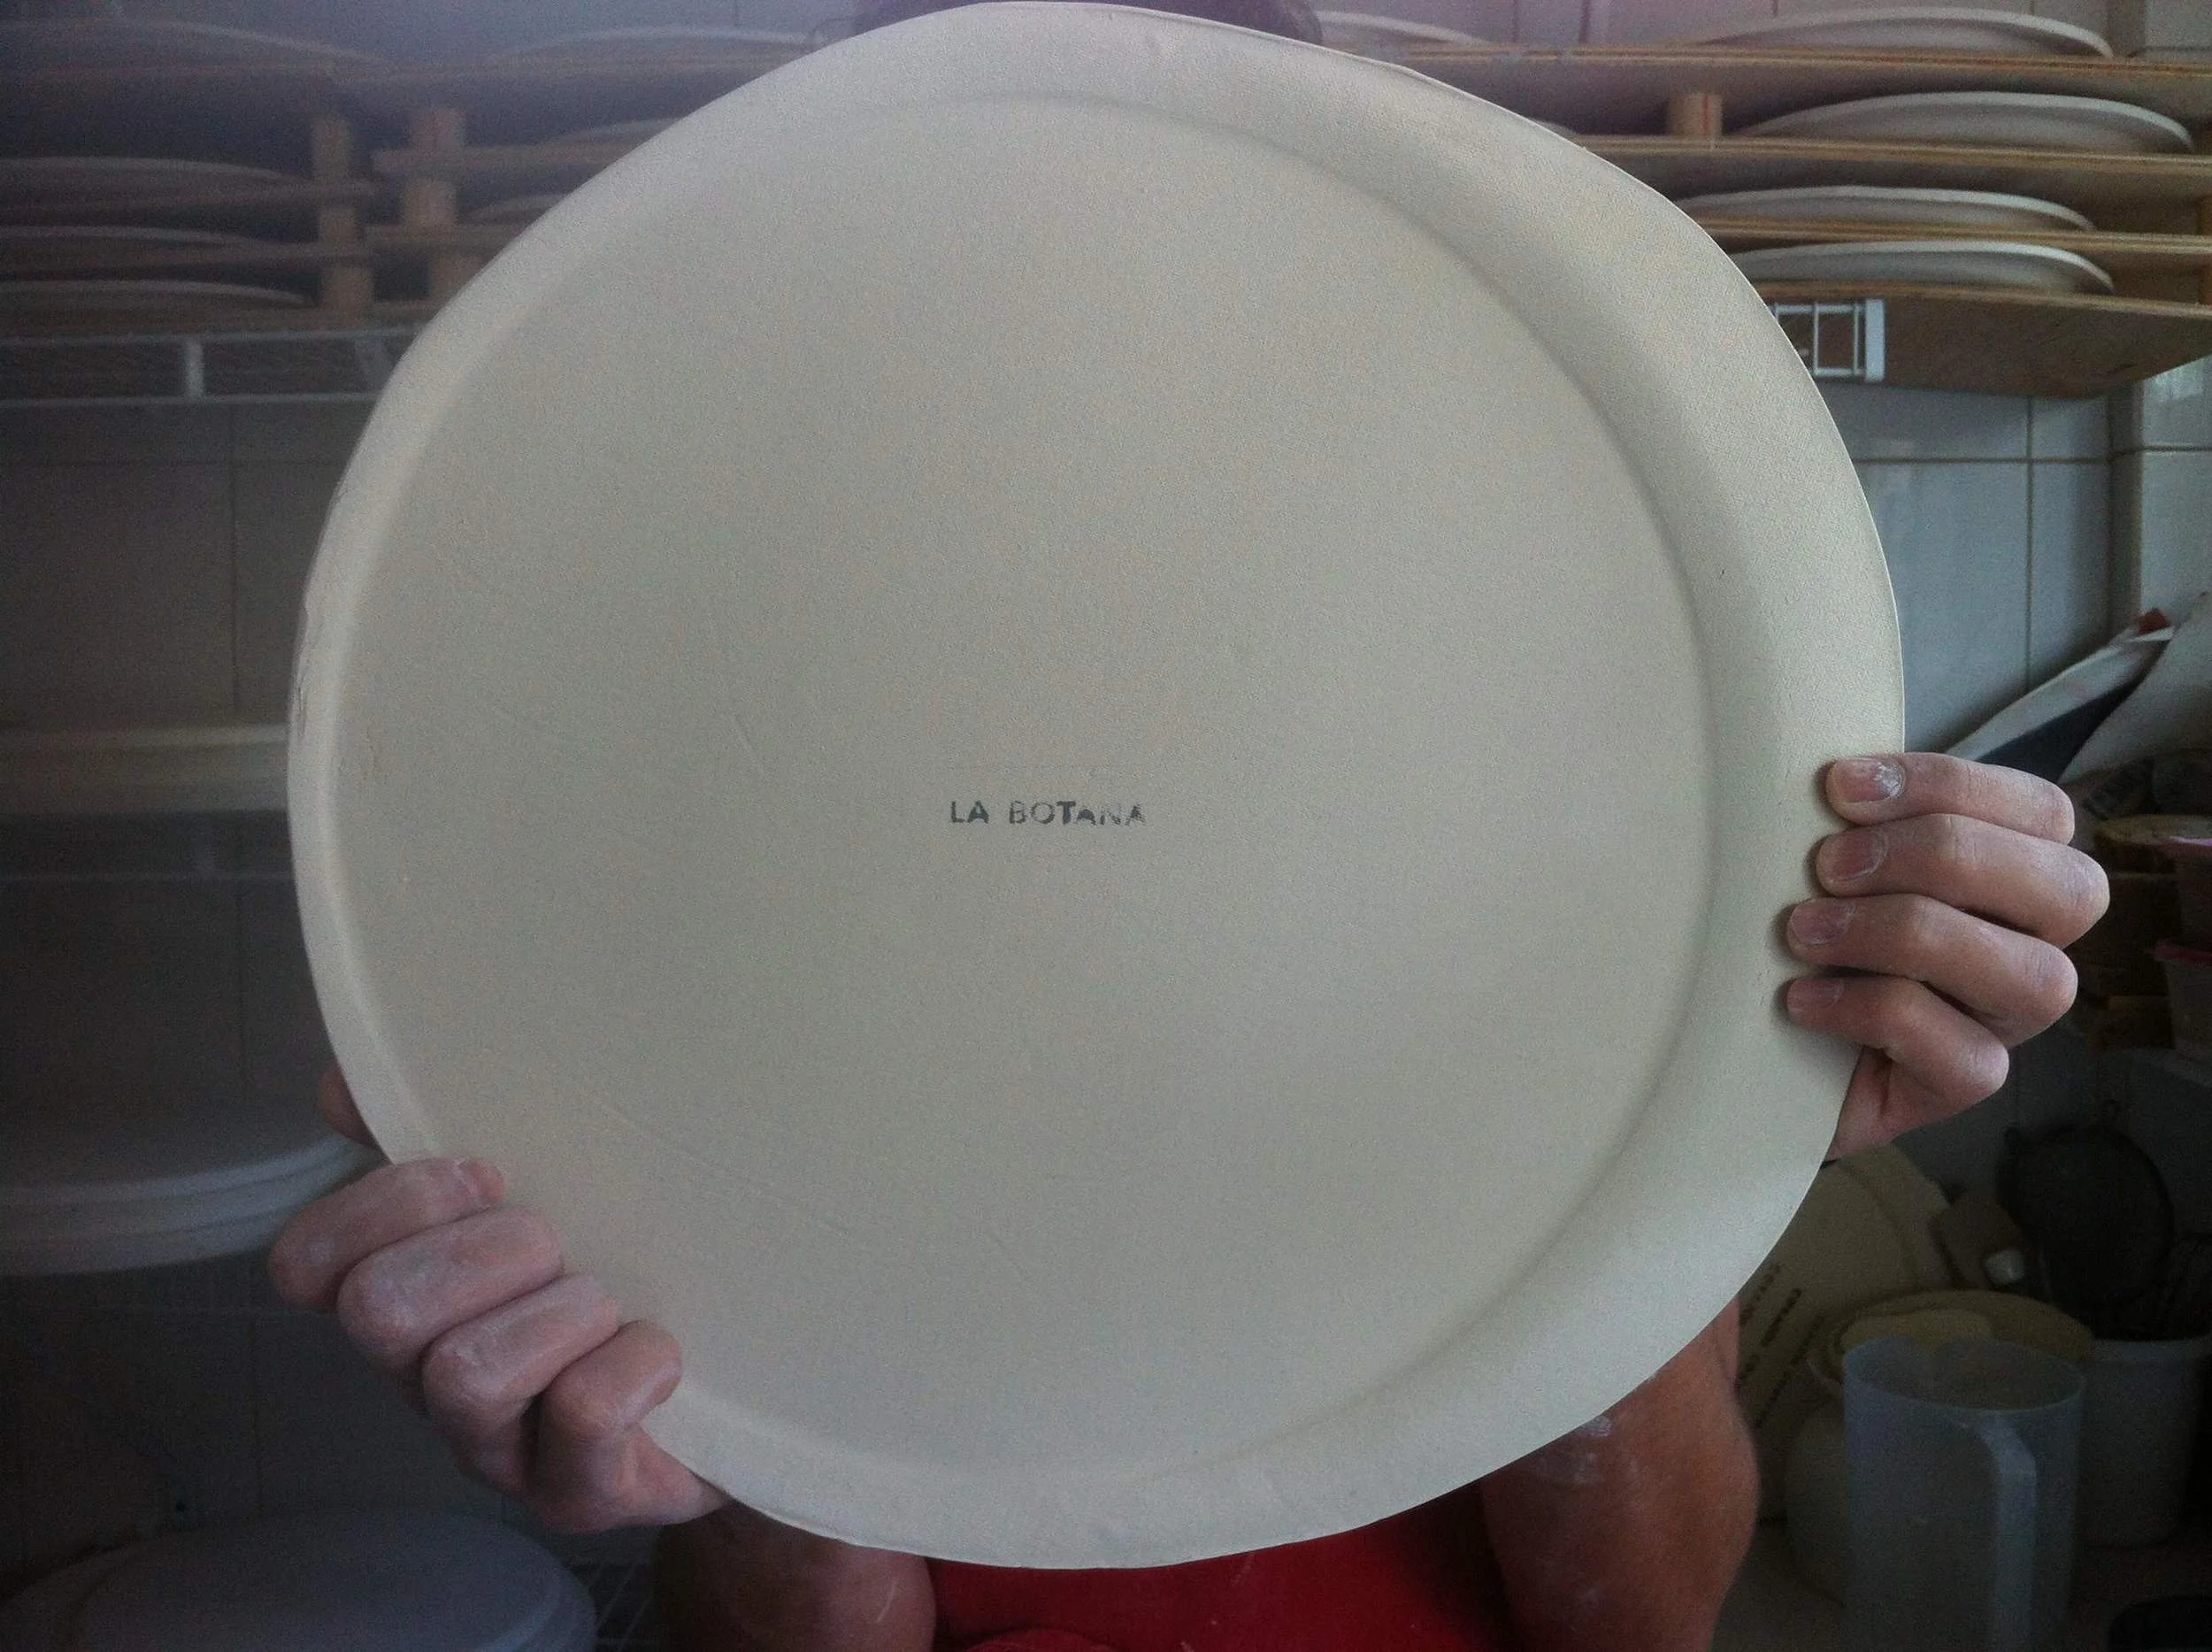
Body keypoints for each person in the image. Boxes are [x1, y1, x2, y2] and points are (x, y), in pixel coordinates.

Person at [271, 751, 2106, 1652]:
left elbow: (1627, 1624)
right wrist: (724, 1423)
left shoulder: (1531, 852)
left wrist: (1643, 1174)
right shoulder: (780, 894)